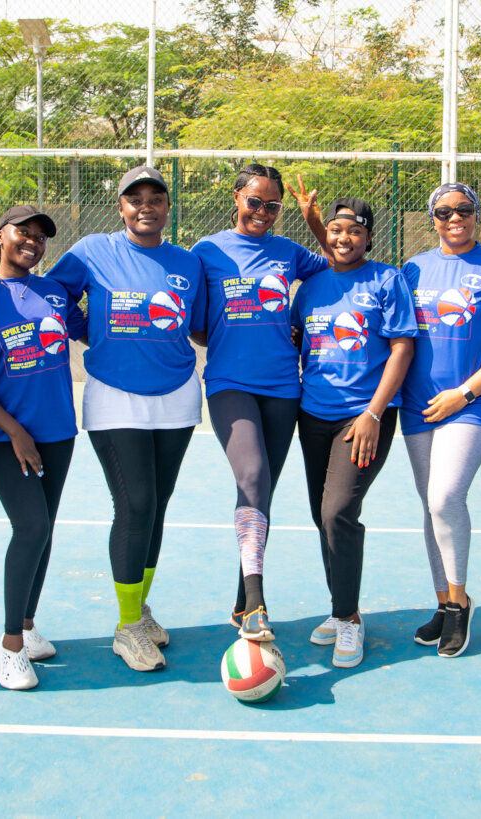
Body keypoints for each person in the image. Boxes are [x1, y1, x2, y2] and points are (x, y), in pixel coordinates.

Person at [45, 166, 205, 672]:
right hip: (115, 397)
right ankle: (126, 625)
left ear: (167, 207)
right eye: (135, 199)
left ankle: (141, 610)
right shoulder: (93, 250)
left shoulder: (187, 262)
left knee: (157, 505)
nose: (146, 206)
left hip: (178, 394)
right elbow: (54, 296)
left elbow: (198, 322)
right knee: (134, 504)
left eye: (156, 198)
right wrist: (89, 330)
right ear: (120, 207)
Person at [191, 164, 330, 641]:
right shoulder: (207, 251)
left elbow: (339, 261)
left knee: (260, 492)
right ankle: (256, 603)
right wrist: (229, 339)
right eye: (255, 202)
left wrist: (313, 219)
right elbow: (191, 318)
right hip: (229, 381)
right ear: (237, 198)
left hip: (283, 386)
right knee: (250, 475)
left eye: (273, 206)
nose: (263, 213)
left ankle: (239, 597)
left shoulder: (289, 253)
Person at [0, 205, 86, 690]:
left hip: (58, 432)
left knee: (44, 529)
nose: (32, 241)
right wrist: (14, 430)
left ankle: (27, 628)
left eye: (40, 236)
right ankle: (8, 647)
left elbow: (95, 329)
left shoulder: (55, 291)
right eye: (22, 232)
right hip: (5, 436)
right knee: (29, 527)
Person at [400, 182, 481, 658]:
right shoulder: (412, 268)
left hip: (471, 405)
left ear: (478, 214)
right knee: (430, 507)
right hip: (417, 407)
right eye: (444, 211)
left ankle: (459, 605)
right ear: (431, 217)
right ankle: (443, 603)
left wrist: (465, 392)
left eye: (464, 210)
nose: (454, 218)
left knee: (445, 495)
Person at [292, 198, 417, 667]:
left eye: (355, 231)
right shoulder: (310, 289)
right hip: (313, 415)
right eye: (336, 229)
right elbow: (298, 341)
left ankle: (349, 619)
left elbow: (402, 347)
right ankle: (340, 605)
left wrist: (374, 412)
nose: (344, 238)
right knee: (321, 515)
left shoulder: (387, 280)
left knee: (339, 512)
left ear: (369, 237)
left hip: (363, 418)